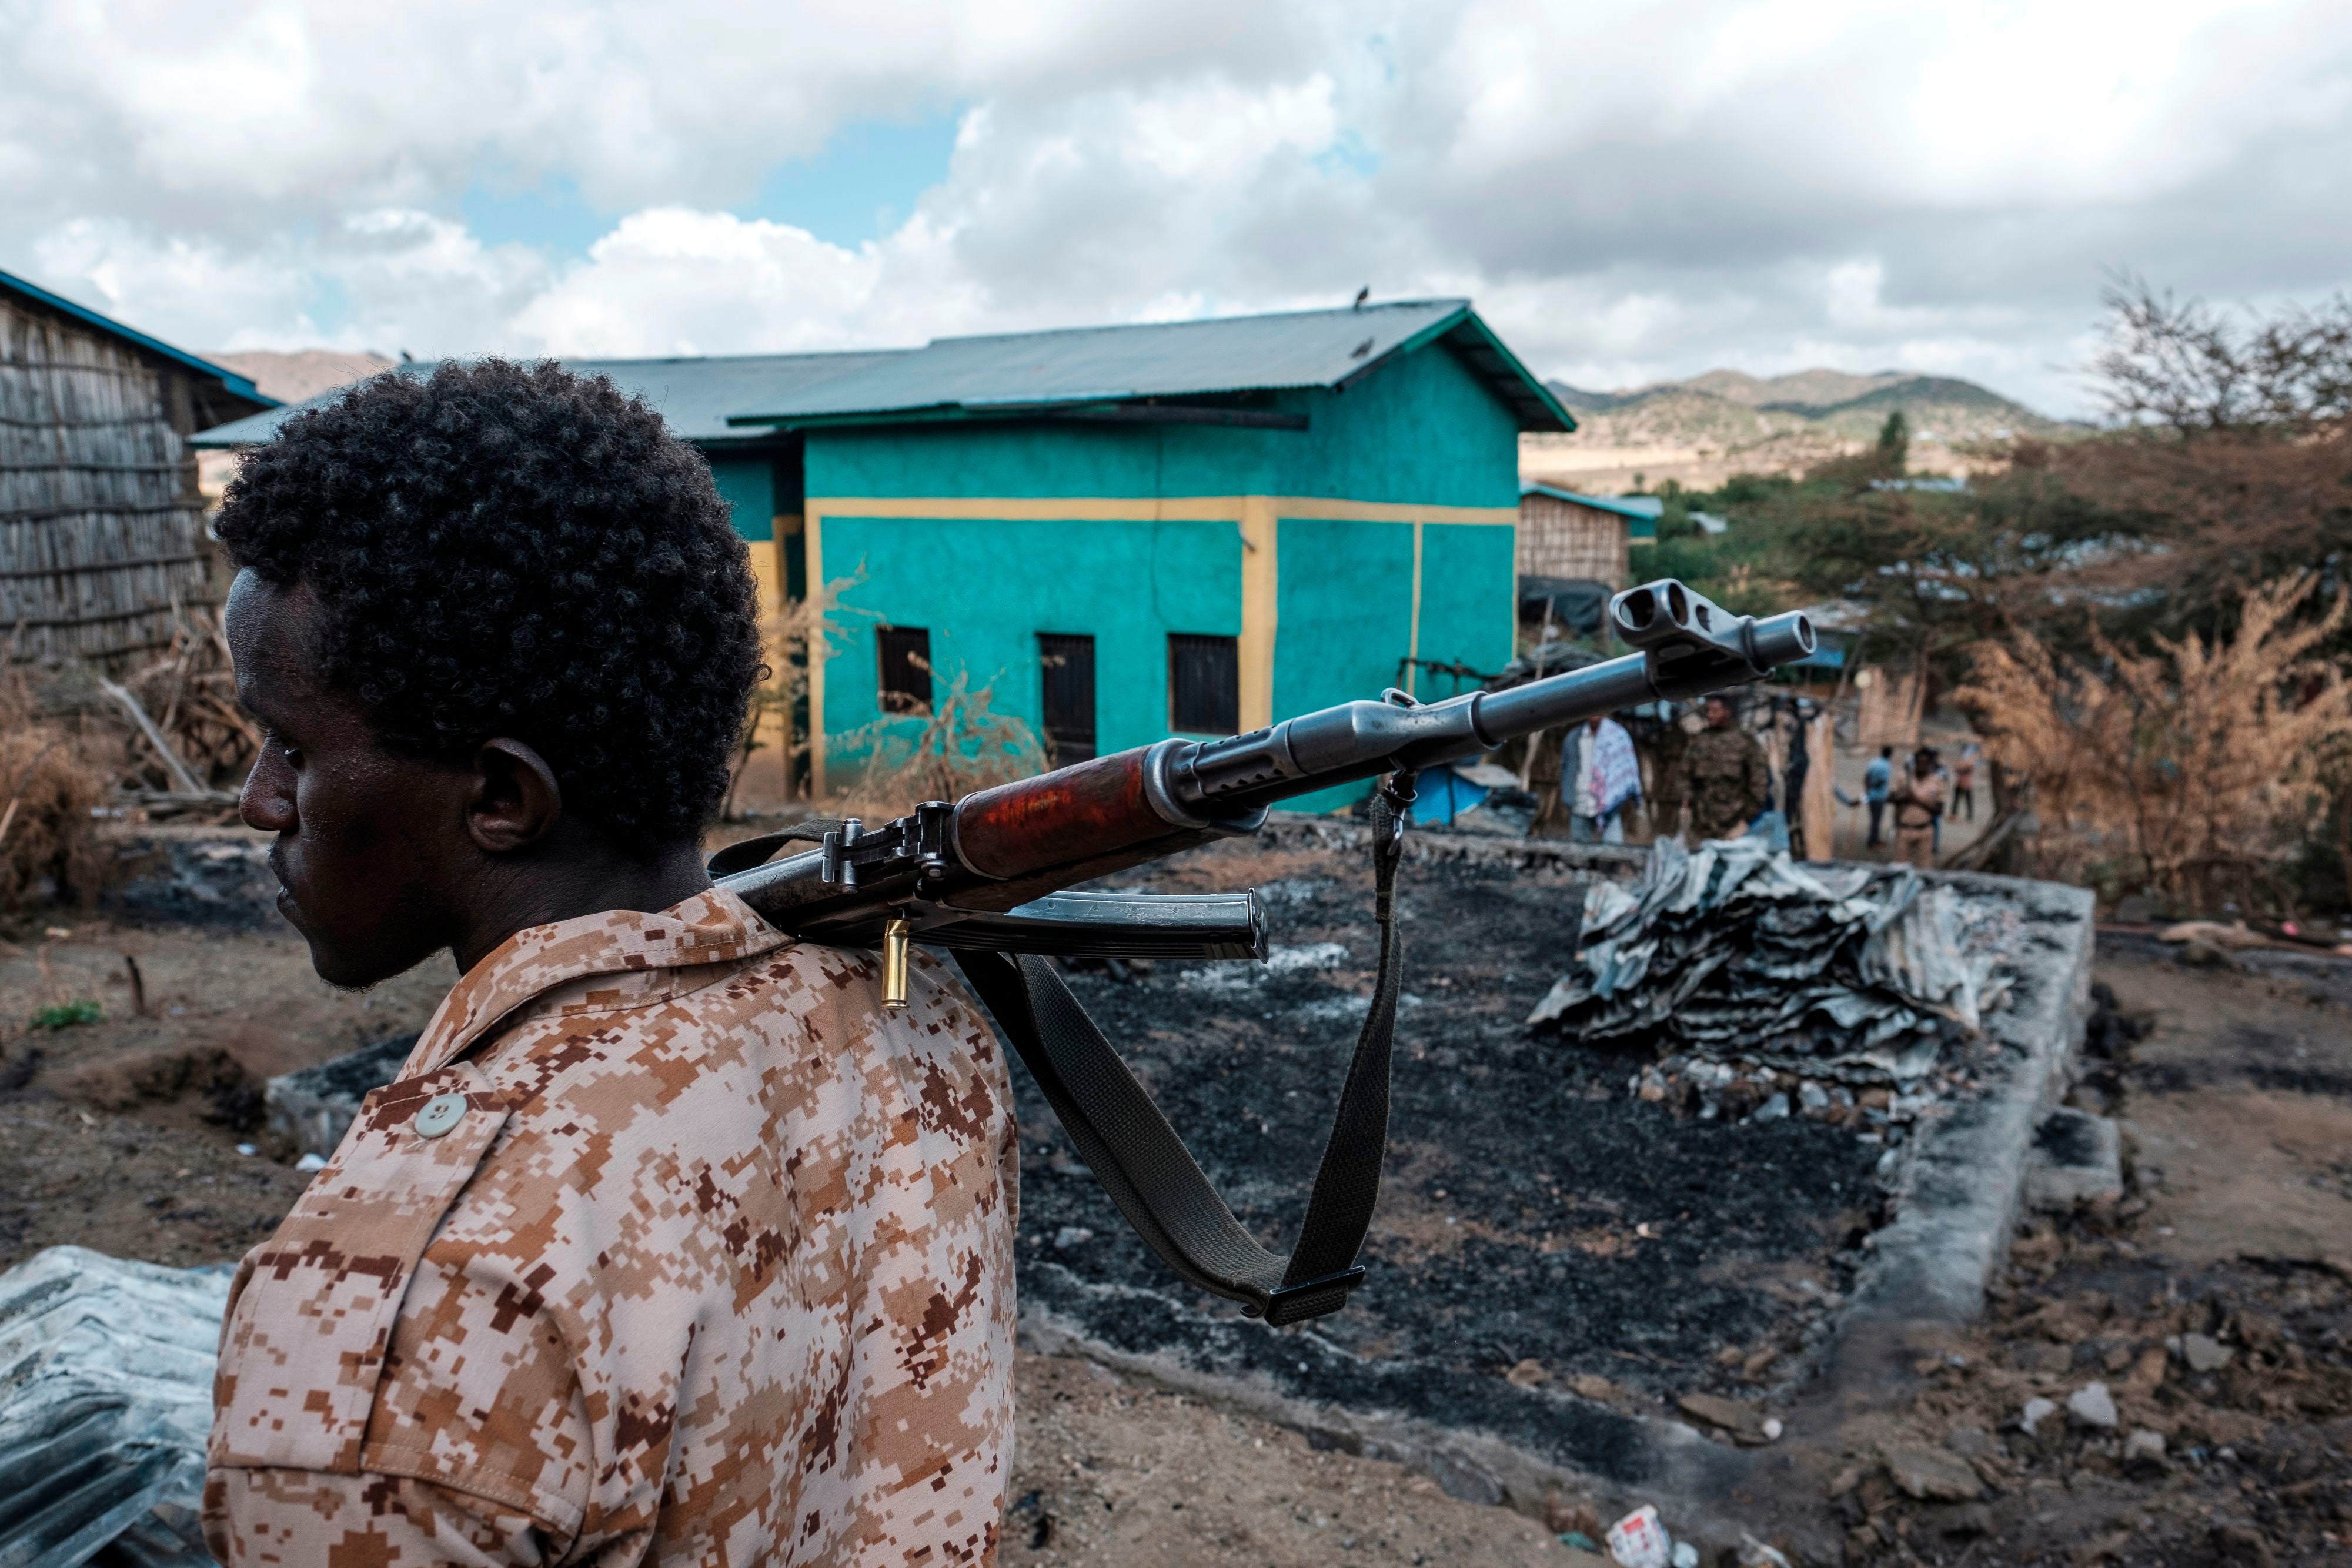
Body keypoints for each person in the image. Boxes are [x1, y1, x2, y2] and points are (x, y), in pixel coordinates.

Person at [202, 362, 1016, 1566]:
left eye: (291, 744)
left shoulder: (399, 1311)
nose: (258, 802)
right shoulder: (919, 1021)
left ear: (498, 798)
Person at [1675, 694, 1770, 842]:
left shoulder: (1744, 742)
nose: (1710, 715)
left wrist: (1745, 820)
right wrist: (1687, 802)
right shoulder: (1699, 742)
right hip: (1702, 827)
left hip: (1733, 827)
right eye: (1708, 711)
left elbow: (1759, 783)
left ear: (1727, 711)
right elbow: (1683, 776)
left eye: (1715, 711)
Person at [1561, 713, 1642, 844]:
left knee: (1613, 848)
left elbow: (1627, 768)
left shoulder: (1617, 736)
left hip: (1609, 803)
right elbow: (1565, 768)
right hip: (1580, 802)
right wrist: (1568, 797)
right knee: (1580, 853)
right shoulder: (1574, 737)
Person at [1890, 745, 1946, 870]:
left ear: (1930, 764)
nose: (1922, 766)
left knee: (1924, 870)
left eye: (1925, 763)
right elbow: (1891, 799)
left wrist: (1916, 800)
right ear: (1915, 762)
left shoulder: (1937, 781)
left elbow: (1939, 810)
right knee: (1899, 869)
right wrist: (1903, 797)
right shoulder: (1903, 778)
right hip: (1904, 830)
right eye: (1919, 762)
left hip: (1925, 831)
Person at [1863, 744, 1894, 850]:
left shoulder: (1874, 762)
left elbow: (1866, 777)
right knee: (1876, 820)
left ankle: (1875, 839)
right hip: (1879, 797)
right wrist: (1874, 787)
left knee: (1874, 820)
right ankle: (1872, 842)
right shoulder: (1886, 765)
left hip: (1871, 796)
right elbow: (1882, 781)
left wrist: (1868, 790)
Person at [1953, 743, 1979, 822]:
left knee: (1968, 800)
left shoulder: (1970, 761)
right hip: (1960, 782)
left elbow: (1968, 767)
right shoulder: (1963, 760)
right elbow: (1957, 769)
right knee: (1957, 799)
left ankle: (1969, 816)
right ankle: (1954, 814)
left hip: (1967, 783)